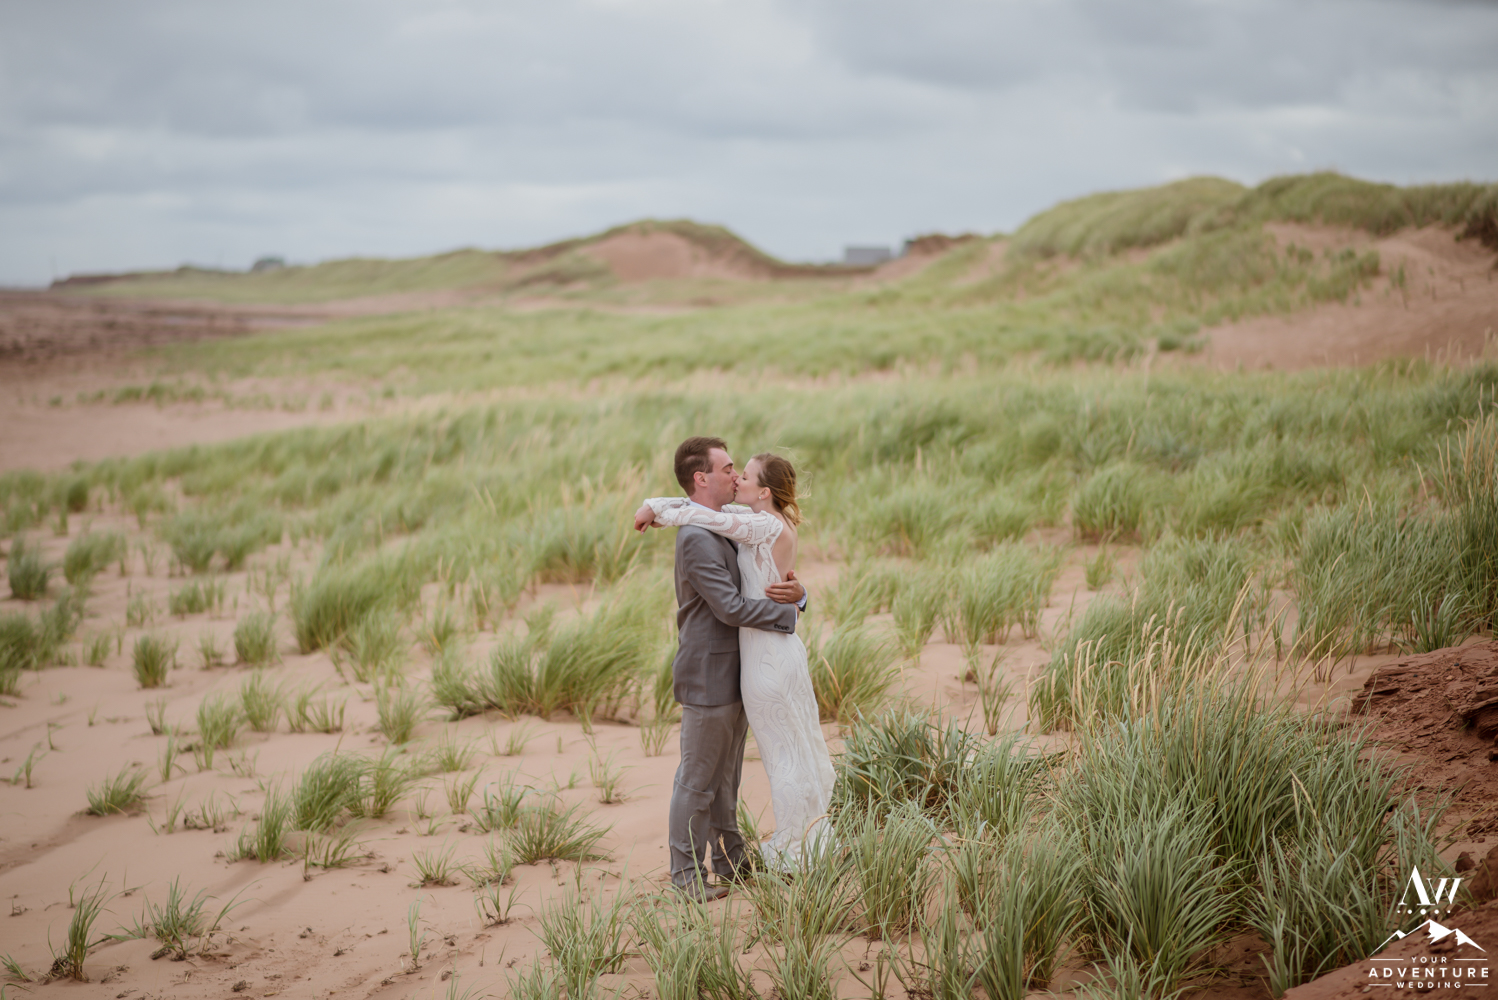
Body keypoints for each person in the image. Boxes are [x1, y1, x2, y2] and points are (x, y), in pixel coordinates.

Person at [636, 443, 835, 888]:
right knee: (696, 782)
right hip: (709, 674)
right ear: (702, 479)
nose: (736, 476)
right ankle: (686, 876)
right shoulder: (696, 537)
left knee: (727, 780)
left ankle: (731, 863)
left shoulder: (732, 522)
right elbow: (727, 607)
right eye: (728, 469)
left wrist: (800, 595)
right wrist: (790, 613)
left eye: (739, 471)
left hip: (746, 670)